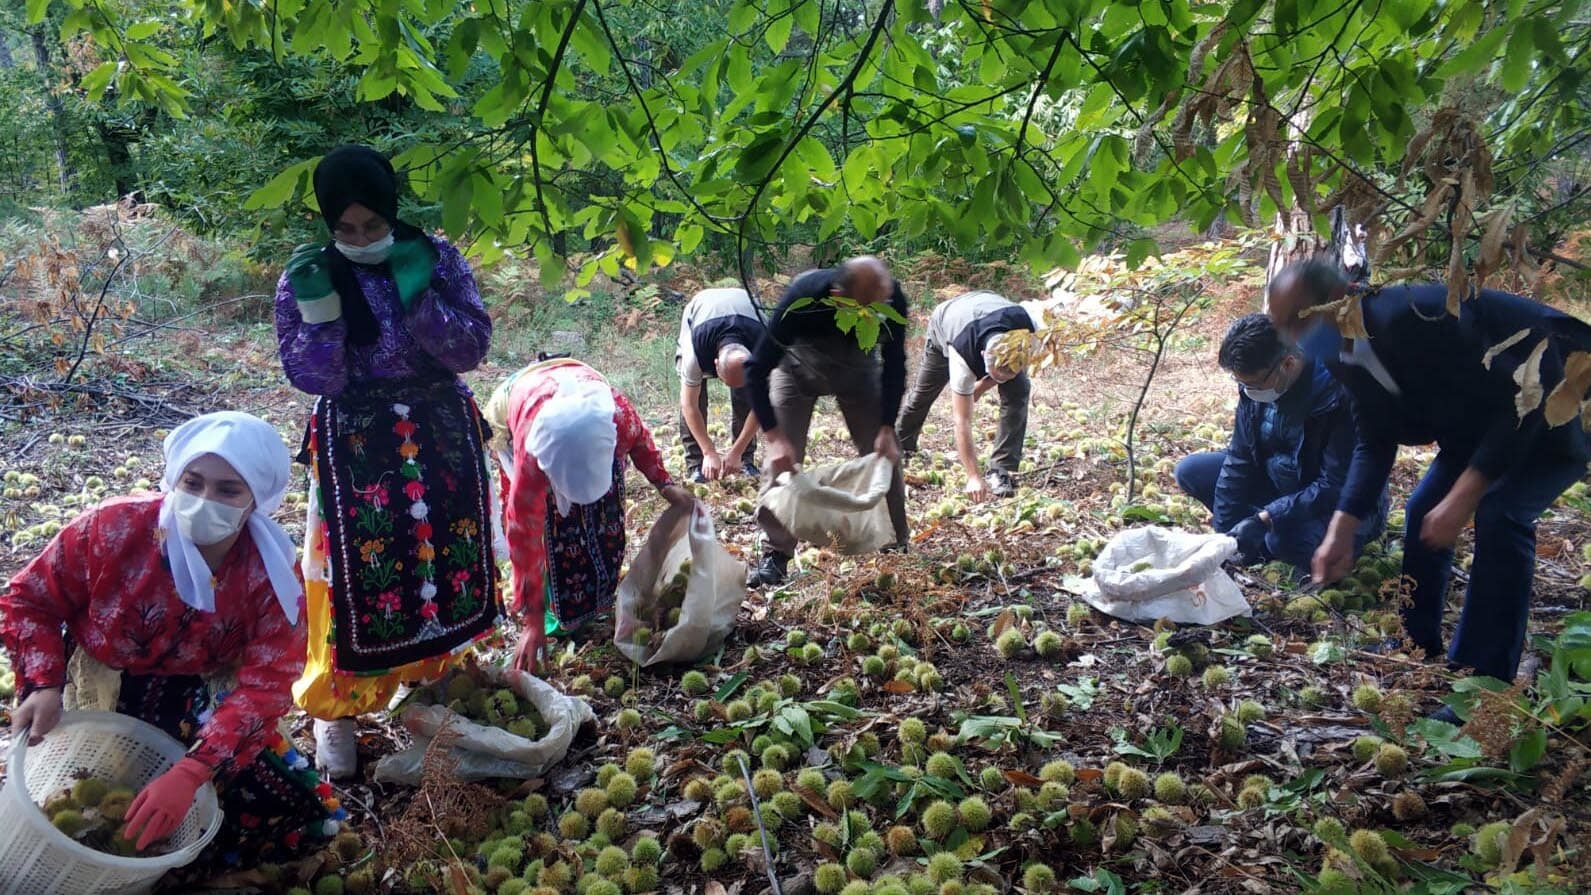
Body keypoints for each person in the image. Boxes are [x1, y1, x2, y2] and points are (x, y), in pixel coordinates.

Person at [1, 412, 337, 876]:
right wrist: (42, 683)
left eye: (227, 490)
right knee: (93, 810)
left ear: (258, 498)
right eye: (192, 482)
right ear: (173, 476)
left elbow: (270, 680)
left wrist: (192, 771)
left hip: (202, 701)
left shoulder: (269, 573)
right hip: (105, 689)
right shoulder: (112, 529)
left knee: (289, 811)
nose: (203, 501)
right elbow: (30, 599)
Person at [1269, 258, 1591, 708]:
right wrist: (1340, 530)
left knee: (1501, 515)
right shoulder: (1341, 352)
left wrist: (1464, 497)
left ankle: (1483, 681)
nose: (1294, 335)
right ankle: (1415, 640)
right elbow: (1374, 437)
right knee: (1423, 509)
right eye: (1283, 325)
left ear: (1341, 295)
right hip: (1479, 425)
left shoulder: (1408, 318)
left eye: (1299, 318)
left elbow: (1523, 399)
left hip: (1559, 405)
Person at [275, 144, 498, 779]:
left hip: (438, 431)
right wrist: (322, 316)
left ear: (392, 213)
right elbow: (313, 375)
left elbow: (470, 349)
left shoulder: (435, 257)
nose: (360, 238)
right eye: (345, 229)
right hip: (356, 443)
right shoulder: (307, 274)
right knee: (352, 575)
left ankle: (427, 695)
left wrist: (420, 296)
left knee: (441, 560)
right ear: (327, 225)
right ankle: (335, 715)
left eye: (372, 226)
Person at [483, 358, 694, 673]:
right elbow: (523, 536)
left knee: (604, 520)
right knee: (555, 529)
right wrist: (533, 620)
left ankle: (597, 600)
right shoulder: (530, 457)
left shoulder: (618, 417)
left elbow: (641, 442)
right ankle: (560, 611)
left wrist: (664, 484)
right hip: (524, 406)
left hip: (583, 411)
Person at [745, 256, 911, 587]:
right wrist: (775, 436)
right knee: (781, 461)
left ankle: (896, 547)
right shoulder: (803, 297)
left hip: (858, 371)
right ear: (839, 297)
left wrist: (887, 427)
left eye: (880, 303)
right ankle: (775, 555)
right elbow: (755, 367)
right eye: (866, 306)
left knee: (885, 456)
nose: (877, 310)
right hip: (796, 368)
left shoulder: (891, 300)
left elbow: (895, 365)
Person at [1174, 314, 1385, 571]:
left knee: (1282, 540)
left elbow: (1335, 484)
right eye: (1242, 383)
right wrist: (1223, 536)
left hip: (1338, 505)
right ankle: (1254, 543)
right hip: (1281, 485)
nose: (1248, 390)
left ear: (1287, 363)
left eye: (1254, 383)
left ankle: (1282, 545)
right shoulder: (1254, 389)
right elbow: (1240, 458)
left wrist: (1267, 518)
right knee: (1191, 471)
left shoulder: (1339, 393)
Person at [894, 290, 1035, 500]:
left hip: (990, 306)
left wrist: (979, 389)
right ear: (981, 357)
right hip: (946, 323)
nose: (1000, 380)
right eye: (995, 376)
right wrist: (973, 477)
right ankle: (900, 443)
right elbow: (962, 420)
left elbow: (1006, 373)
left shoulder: (1026, 337)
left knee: (1019, 388)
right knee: (924, 393)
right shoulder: (961, 354)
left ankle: (1001, 469)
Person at [676, 286, 766, 482]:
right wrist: (709, 451)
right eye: (728, 382)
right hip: (702, 312)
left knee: (748, 398)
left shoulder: (765, 347)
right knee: (696, 398)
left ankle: (745, 460)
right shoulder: (696, 351)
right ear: (715, 365)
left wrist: (737, 451)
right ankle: (696, 464)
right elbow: (688, 405)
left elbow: (762, 406)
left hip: (748, 311)